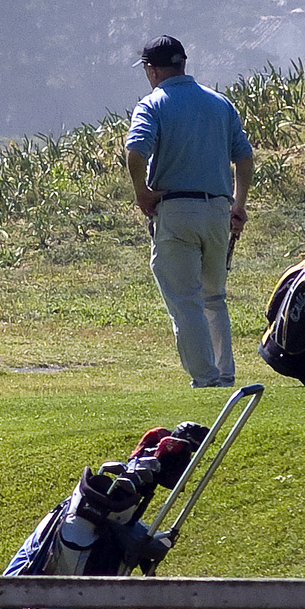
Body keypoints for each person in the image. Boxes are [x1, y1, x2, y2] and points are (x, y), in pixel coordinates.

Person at [124, 35, 254, 388]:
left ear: (152, 70)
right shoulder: (219, 103)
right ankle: (224, 375)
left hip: (176, 208)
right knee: (214, 297)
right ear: (183, 63)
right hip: (217, 209)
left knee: (186, 300)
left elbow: (136, 151)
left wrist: (141, 193)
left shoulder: (153, 104)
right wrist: (238, 205)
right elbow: (244, 156)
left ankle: (206, 379)